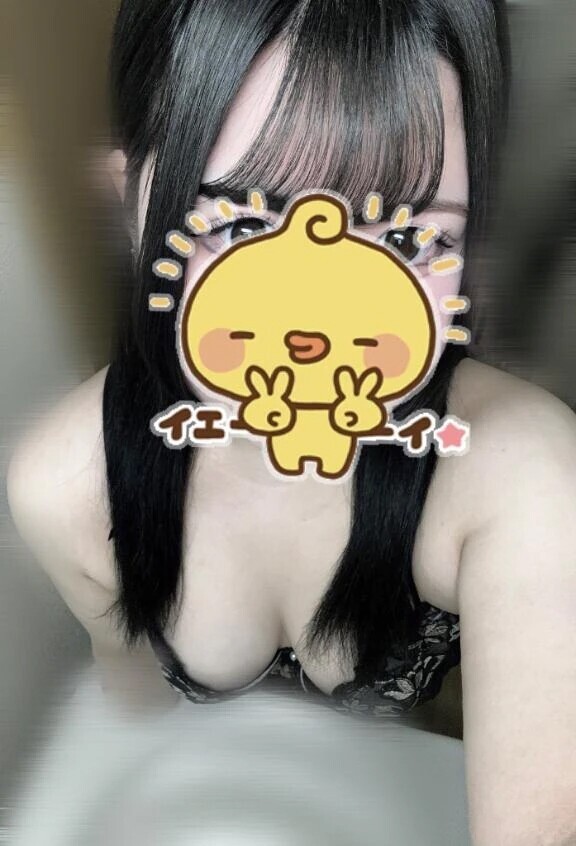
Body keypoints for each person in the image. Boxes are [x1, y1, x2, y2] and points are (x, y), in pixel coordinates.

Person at [7, 1, 576, 842]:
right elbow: (132, 709)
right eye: (242, 221)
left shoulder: (524, 476)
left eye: (405, 236)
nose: (316, 321)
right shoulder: (64, 488)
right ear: (133, 204)